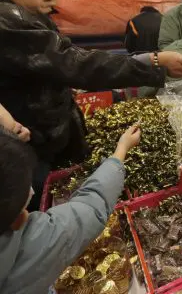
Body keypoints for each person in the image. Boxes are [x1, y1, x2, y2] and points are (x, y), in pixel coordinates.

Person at [0, 0, 182, 209]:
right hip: (26, 156)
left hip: (45, 146)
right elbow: (76, 63)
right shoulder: (8, 22)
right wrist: (155, 62)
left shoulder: (26, 17)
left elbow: (67, 61)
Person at [0, 123, 141, 294]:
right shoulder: (35, 243)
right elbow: (92, 205)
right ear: (19, 220)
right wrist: (121, 149)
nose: (32, 191)